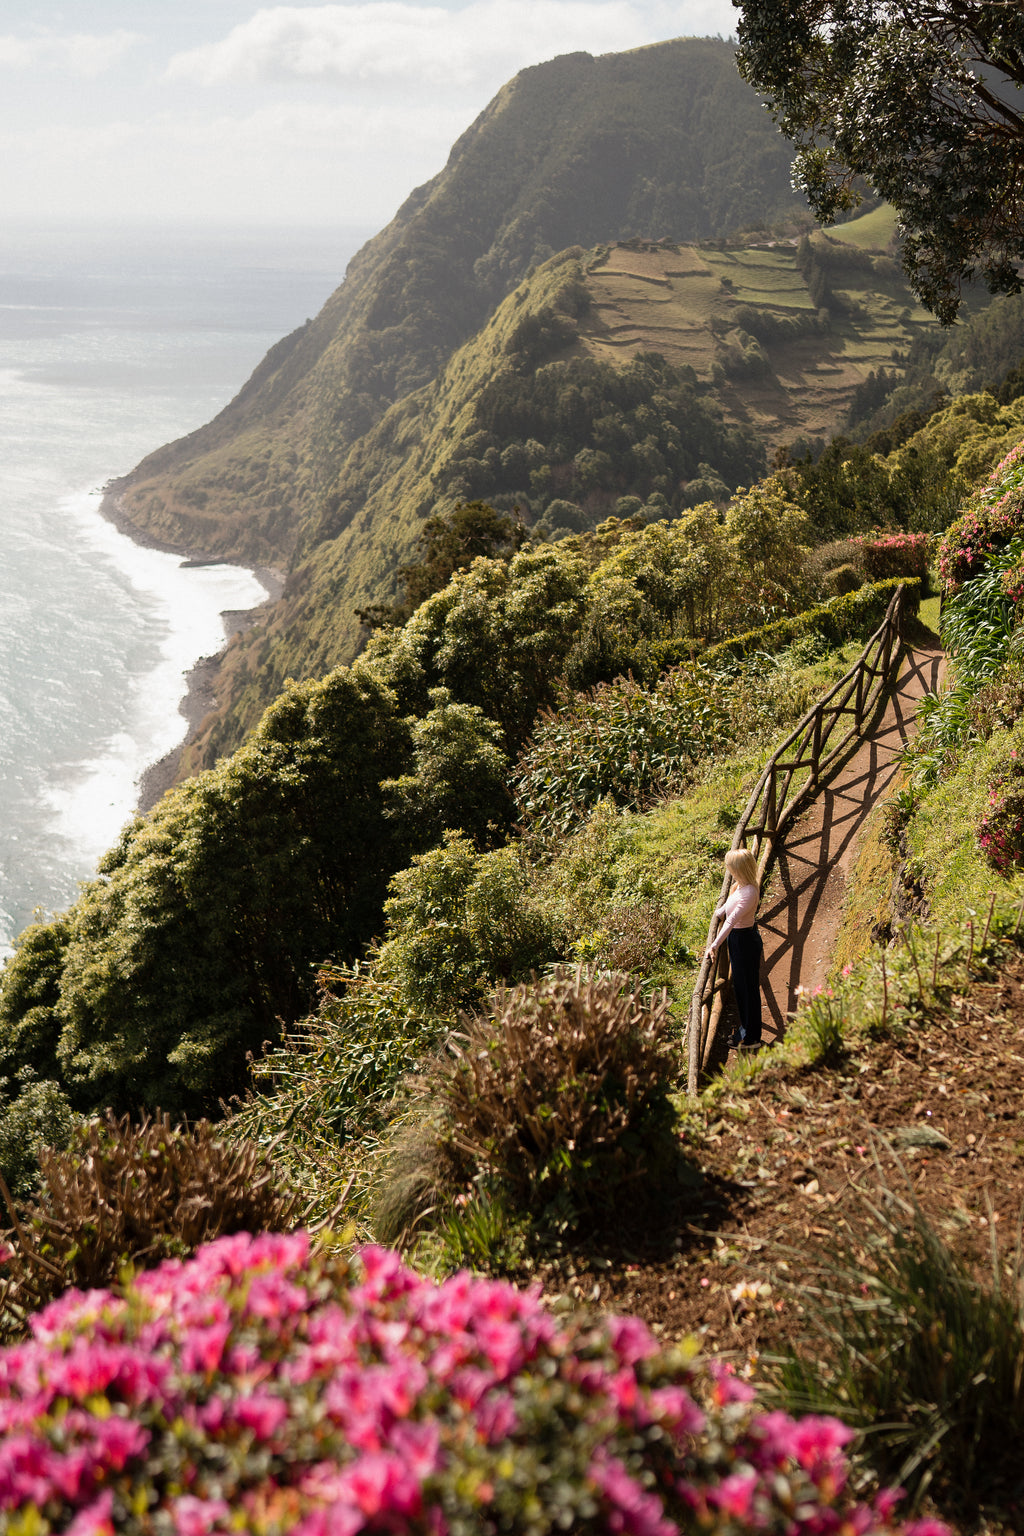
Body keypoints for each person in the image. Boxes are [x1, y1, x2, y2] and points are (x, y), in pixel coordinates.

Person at [705, 847, 763, 1048]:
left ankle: (751, 1037)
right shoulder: (740, 886)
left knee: (747, 989)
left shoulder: (749, 892)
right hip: (739, 940)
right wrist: (719, 911)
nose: (729, 871)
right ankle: (746, 1029)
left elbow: (731, 922)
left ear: (741, 869)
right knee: (741, 988)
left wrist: (714, 945)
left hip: (744, 942)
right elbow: (726, 910)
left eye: (731, 868)